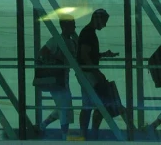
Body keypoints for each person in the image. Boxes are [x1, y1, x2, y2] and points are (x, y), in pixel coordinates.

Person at [77, 9, 129, 140]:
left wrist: (103, 54)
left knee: (89, 105)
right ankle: (92, 133)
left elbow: (88, 54)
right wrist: (96, 72)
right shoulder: (88, 34)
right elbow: (84, 55)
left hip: (87, 74)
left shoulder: (88, 33)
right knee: (102, 103)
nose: (105, 25)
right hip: (89, 75)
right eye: (104, 22)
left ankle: (86, 134)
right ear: (97, 19)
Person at [35, 15, 77, 140]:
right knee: (65, 108)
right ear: (64, 26)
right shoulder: (55, 41)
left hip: (64, 79)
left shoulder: (71, 41)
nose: (74, 27)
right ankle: (64, 137)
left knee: (62, 107)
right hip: (56, 81)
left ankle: (42, 125)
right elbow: (41, 54)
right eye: (72, 24)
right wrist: (54, 62)